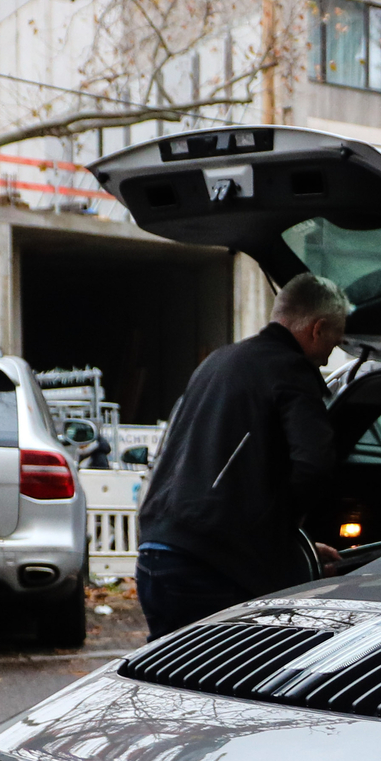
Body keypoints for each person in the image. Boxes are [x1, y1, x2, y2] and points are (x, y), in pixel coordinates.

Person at [135, 273, 350, 638]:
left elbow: (217, 471)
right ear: (318, 329)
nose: (334, 349)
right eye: (336, 338)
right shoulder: (292, 371)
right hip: (213, 567)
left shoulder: (218, 362)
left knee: (172, 685)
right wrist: (280, 543)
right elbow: (314, 465)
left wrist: (297, 547)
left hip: (157, 554)